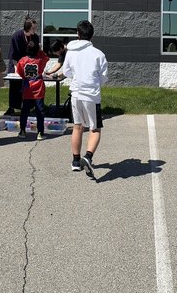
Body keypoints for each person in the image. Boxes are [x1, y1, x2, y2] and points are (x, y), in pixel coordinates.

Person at [58, 20, 109, 178]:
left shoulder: (71, 52)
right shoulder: (98, 54)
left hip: (76, 93)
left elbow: (66, 71)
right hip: (91, 95)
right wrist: (93, 83)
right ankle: (88, 157)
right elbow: (104, 77)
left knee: (77, 127)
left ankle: (75, 161)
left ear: (78, 34)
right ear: (92, 36)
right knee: (95, 128)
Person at [15, 37, 49, 140]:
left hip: (27, 88)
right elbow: (46, 57)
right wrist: (40, 50)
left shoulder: (23, 60)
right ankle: (40, 132)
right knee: (40, 111)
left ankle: (22, 131)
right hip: (38, 88)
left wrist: (25, 77)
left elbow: (19, 72)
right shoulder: (40, 60)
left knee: (24, 111)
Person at [6, 17, 38, 117]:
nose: (35, 30)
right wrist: (17, 70)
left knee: (30, 86)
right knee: (15, 86)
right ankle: (12, 107)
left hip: (29, 65)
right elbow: (13, 54)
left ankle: (31, 106)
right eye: (33, 28)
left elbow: (36, 53)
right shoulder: (17, 36)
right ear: (28, 28)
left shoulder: (35, 37)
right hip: (17, 64)